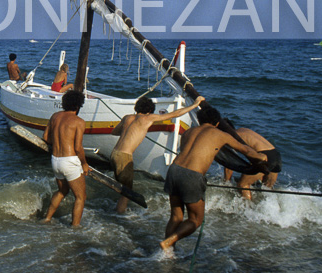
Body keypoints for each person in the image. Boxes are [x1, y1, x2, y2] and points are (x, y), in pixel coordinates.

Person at [160, 106, 268, 252]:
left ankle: (168, 252)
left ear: (199, 120)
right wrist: (261, 156)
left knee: (176, 215)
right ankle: (168, 242)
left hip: (174, 170)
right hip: (192, 175)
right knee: (196, 220)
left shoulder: (189, 132)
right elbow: (245, 150)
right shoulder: (220, 134)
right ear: (217, 123)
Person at [109, 95, 205, 213]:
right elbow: (175, 114)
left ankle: (116, 208)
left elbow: (114, 132)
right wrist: (195, 104)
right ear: (149, 111)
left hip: (114, 154)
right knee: (127, 191)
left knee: (121, 186)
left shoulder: (127, 118)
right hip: (125, 157)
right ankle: (119, 215)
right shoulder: (148, 118)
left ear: (137, 108)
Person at [42, 90, 90, 227]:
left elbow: (45, 137)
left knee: (62, 191)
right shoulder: (79, 121)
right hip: (70, 161)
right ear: (78, 105)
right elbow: (78, 147)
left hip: (55, 160)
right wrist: (84, 164)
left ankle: (47, 219)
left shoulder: (55, 116)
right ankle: (75, 227)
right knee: (81, 197)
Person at [222, 121, 282, 200]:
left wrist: (226, 185)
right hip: (276, 155)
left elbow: (228, 166)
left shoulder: (231, 137)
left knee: (242, 185)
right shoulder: (243, 130)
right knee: (266, 190)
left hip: (264, 157)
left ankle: (249, 210)